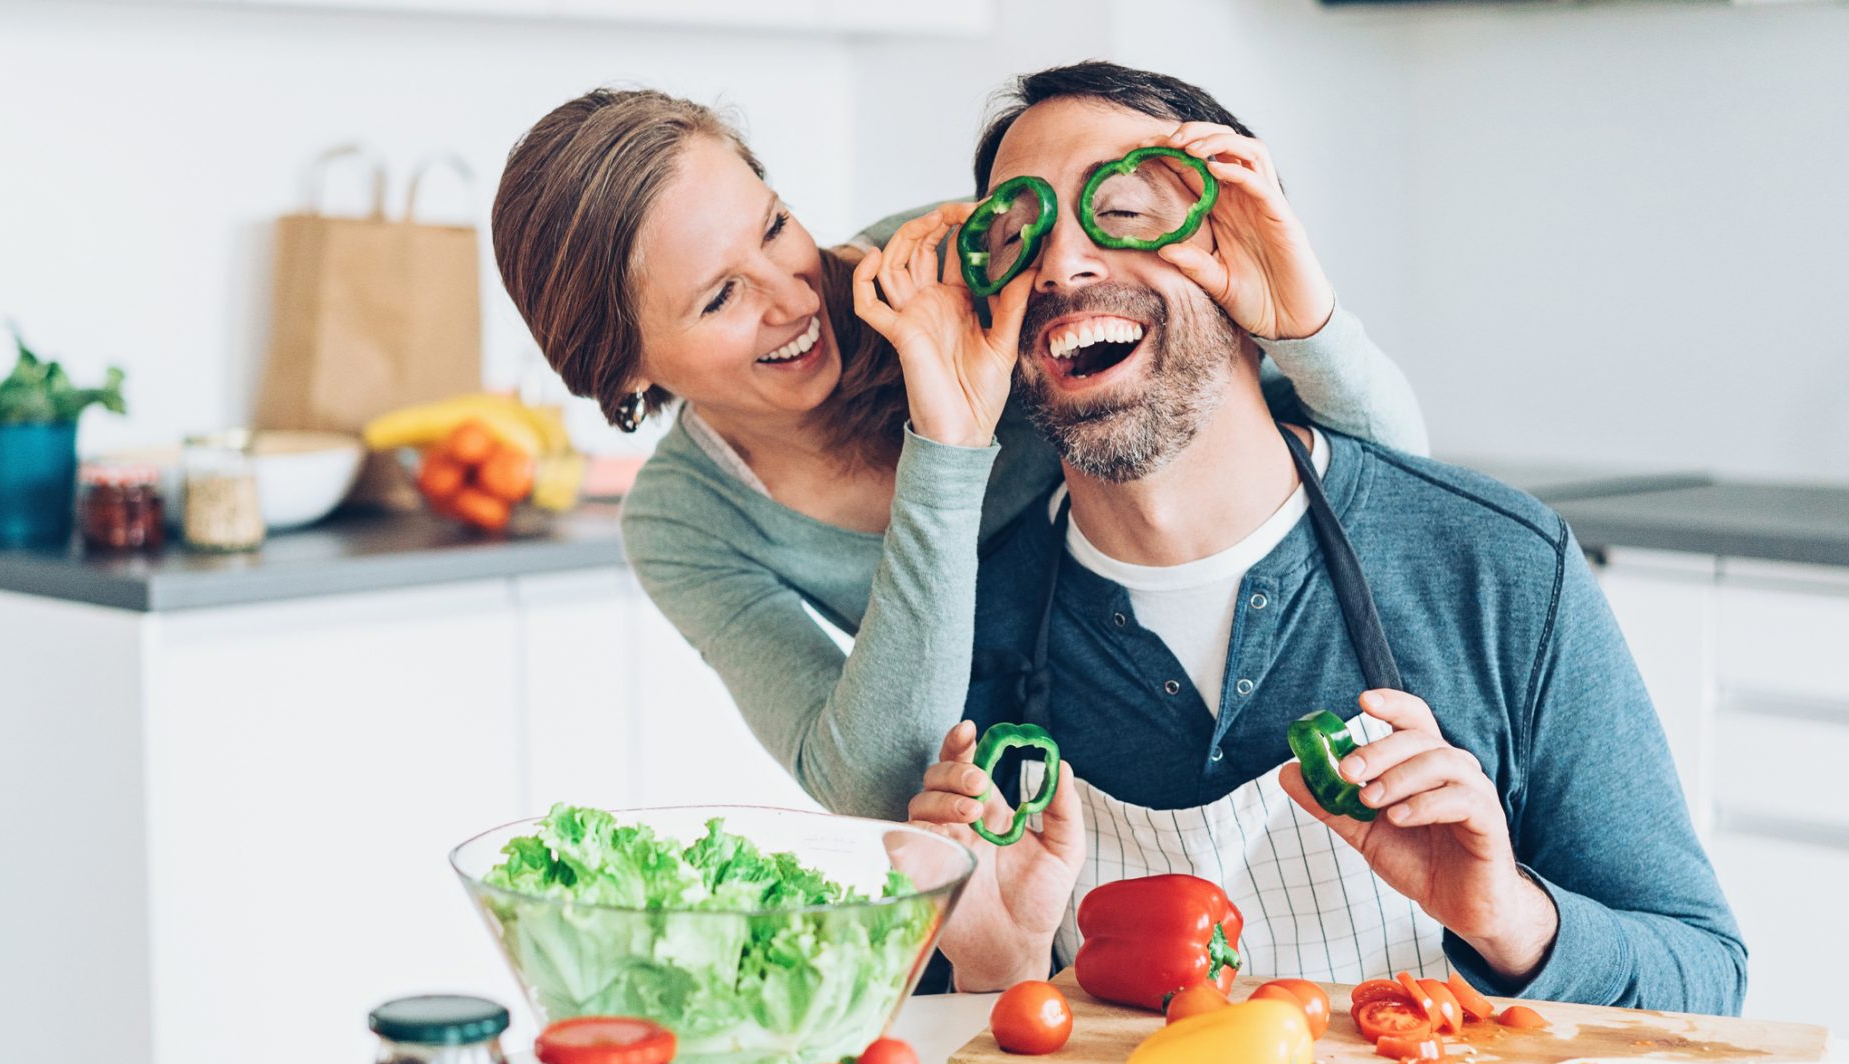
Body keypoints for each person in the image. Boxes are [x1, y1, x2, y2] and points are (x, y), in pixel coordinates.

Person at [903, 61, 1745, 1015]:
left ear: (1242, 257)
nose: (1060, 266)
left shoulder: (1495, 566)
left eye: (1125, 212)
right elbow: (920, 1040)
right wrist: (993, 971)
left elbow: (1707, 985)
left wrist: (1510, 917)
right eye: (1017, 239)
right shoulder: (966, 634)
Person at [491, 87, 1427, 824]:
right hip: (1019, 808)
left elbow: (1390, 490)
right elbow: (872, 784)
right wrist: (949, 442)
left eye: (775, 226)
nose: (795, 297)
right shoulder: (685, 522)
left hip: (1239, 696)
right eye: (718, 297)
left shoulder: (955, 262)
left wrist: (1307, 322)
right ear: (622, 372)